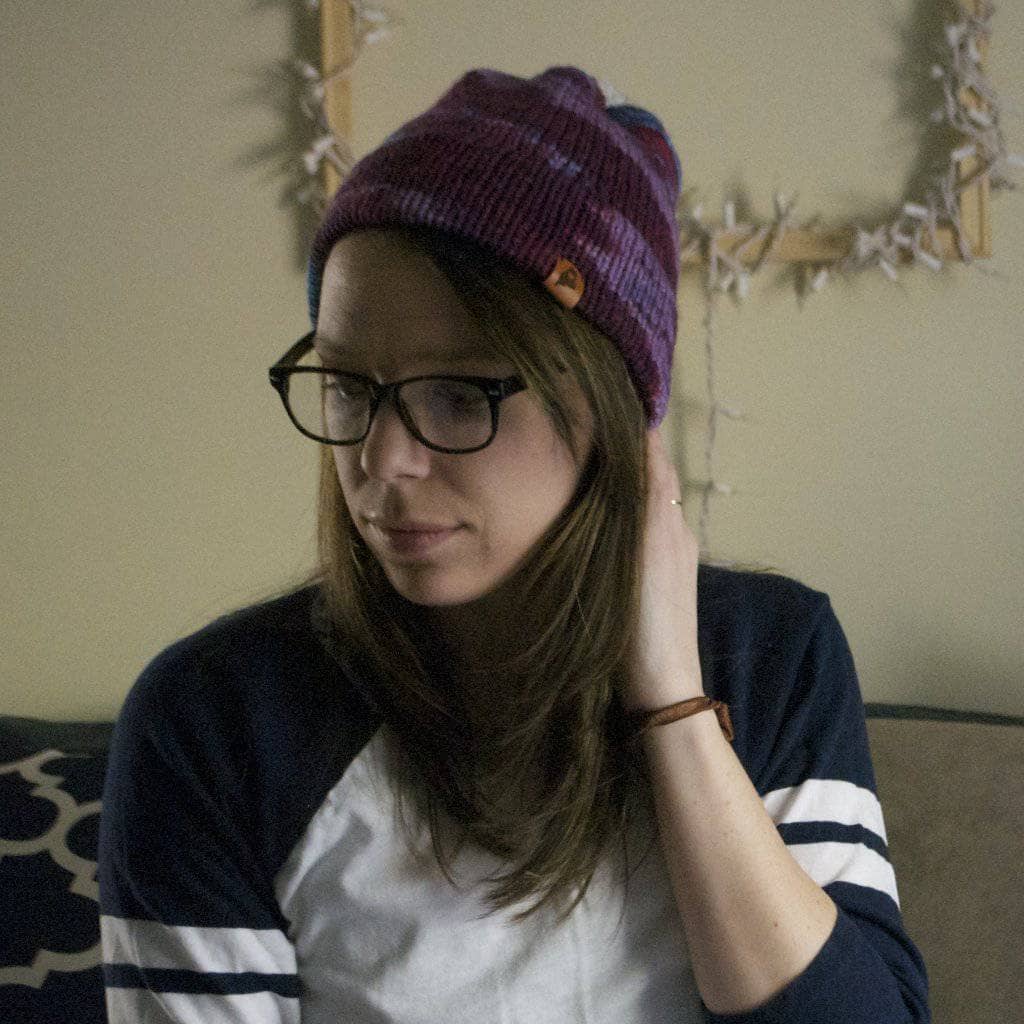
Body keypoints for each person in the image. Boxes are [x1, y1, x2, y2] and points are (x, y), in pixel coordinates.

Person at [97, 66, 931, 1023]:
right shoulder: (216, 724)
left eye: (459, 394)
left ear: (609, 411)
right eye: (349, 386)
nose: (383, 458)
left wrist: (671, 698)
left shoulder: (772, 655)